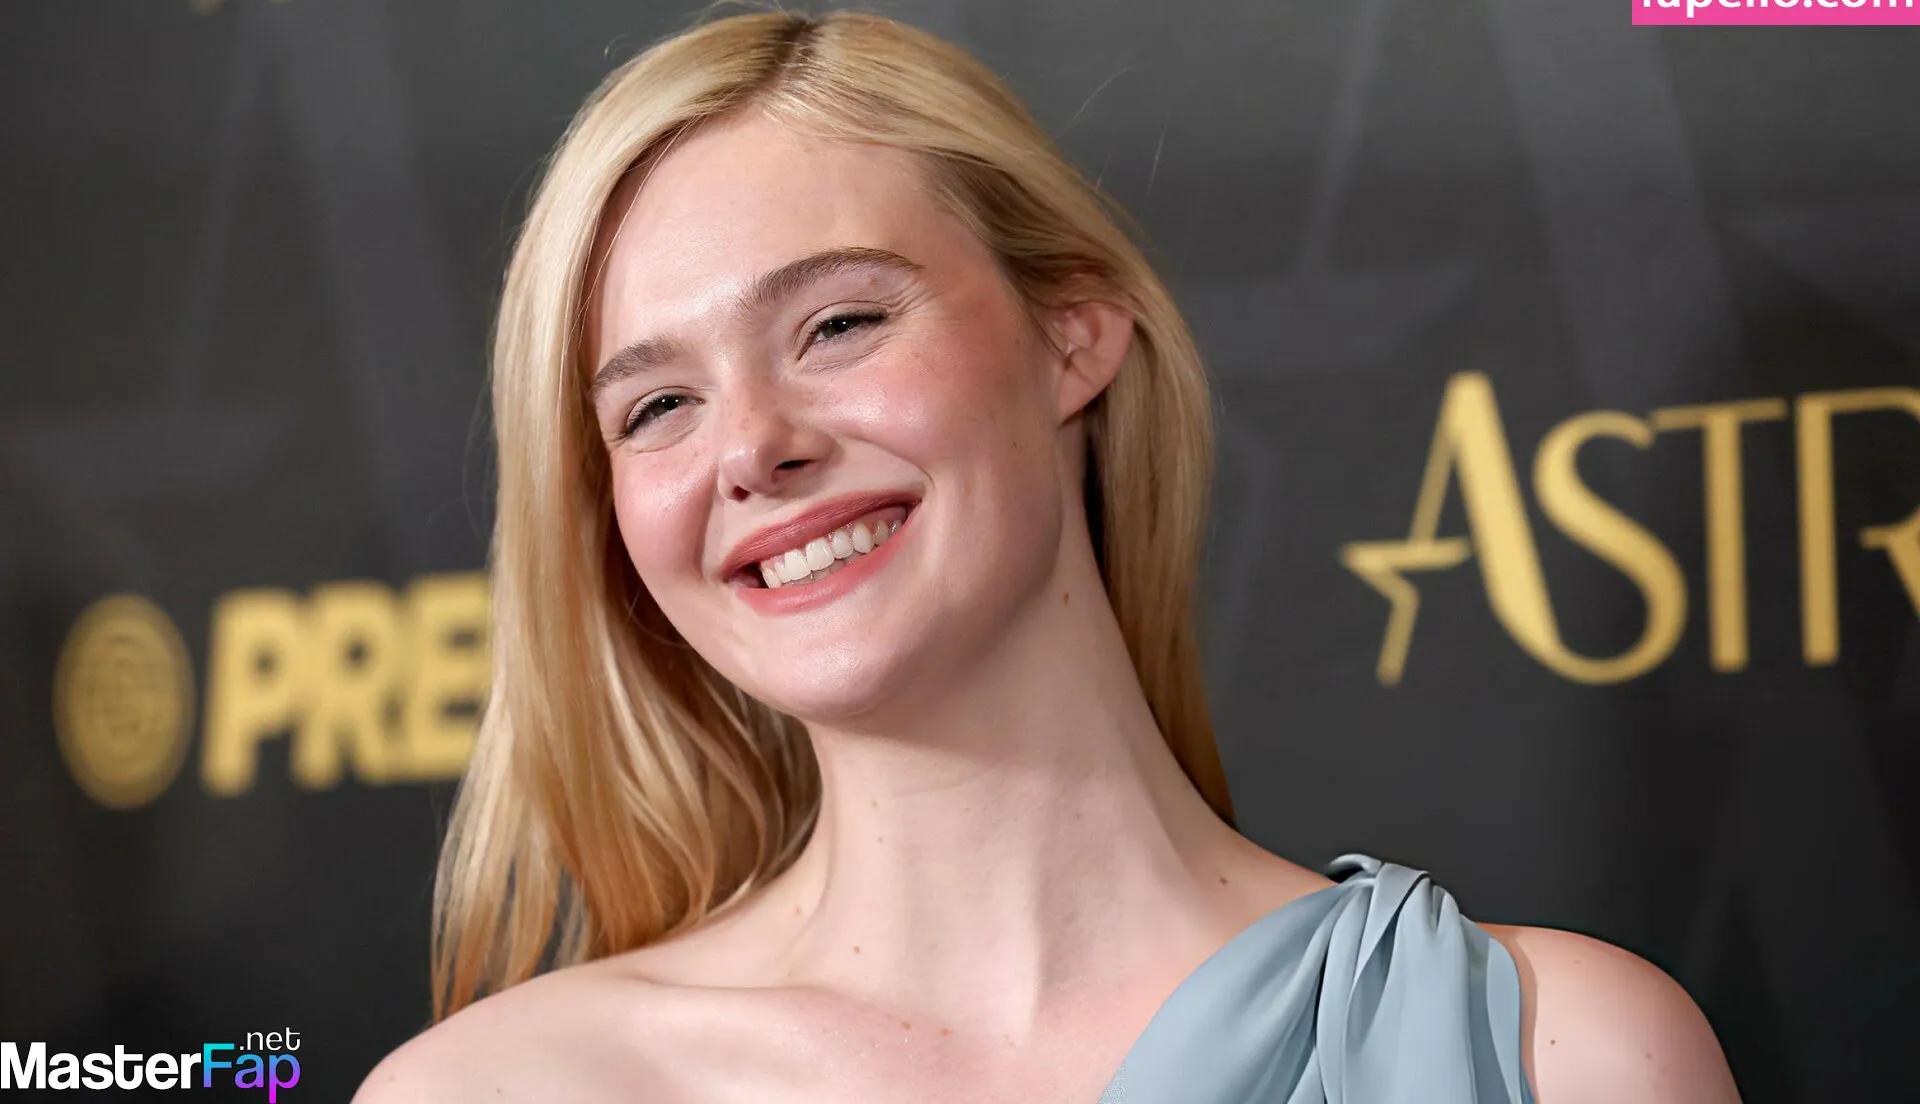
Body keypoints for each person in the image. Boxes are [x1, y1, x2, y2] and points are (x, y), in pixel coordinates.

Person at [355, 10, 1740, 1102]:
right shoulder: (499, 1091)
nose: (752, 447)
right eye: (658, 406)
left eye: (839, 325)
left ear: (1072, 334)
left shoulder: (1567, 1058)